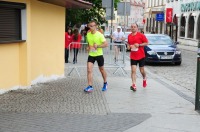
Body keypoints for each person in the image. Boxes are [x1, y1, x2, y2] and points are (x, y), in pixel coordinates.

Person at [84, 20, 108, 92]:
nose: (90, 27)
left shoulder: (99, 35)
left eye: (92, 26)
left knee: (101, 69)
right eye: (89, 26)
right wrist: (88, 48)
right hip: (91, 54)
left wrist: (98, 46)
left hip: (99, 55)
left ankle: (105, 82)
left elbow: (106, 44)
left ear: (95, 26)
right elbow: (89, 45)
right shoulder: (88, 34)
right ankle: (90, 86)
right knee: (89, 69)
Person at [127, 23, 148, 91]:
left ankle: (144, 78)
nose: (133, 28)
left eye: (134, 27)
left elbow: (147, 43)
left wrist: (139, 45)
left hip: (141, 55)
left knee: (141, 70)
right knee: (133, 70)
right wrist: (128, 46)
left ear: (137, 28)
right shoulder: (129, 36)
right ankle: (134, 85)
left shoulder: (141, 35)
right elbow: (128, 44)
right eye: (132, 27)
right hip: (133, 56)